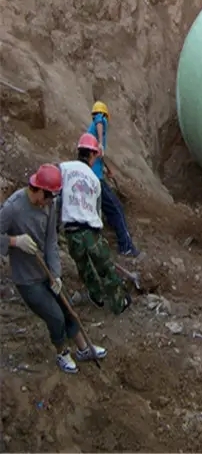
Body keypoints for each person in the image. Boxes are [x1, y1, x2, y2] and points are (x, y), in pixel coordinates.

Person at [0, 164, 107, 373]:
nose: (49, 202)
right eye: (47, 197)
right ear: (37, 189)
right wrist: (14, 241)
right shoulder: (13, 207)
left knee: (67, 308)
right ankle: (62, 352)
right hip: (27, 278)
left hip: (46, 272)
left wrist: (56, 275)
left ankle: (84, 348)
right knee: (55, 316)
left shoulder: (49, 206)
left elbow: (51, 241)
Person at [59, 133, 132, 315]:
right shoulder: (94, 180)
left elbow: (56, 191)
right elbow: (96, 209)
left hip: (71, 231)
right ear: (92, 155)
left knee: (84, 267)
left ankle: (96, 296)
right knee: (105, 267)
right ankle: (118, 302)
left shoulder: (64, 169)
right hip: (90, 231)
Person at [87, 101, 140, 257]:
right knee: (116, 208)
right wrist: (101, 143)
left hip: (93, 177)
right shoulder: (99, 122)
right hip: (96, 180)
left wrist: (109, 169)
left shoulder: (89, 139)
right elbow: (99, 121)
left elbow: (98, 158)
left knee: (109, 208)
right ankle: (126, 247)